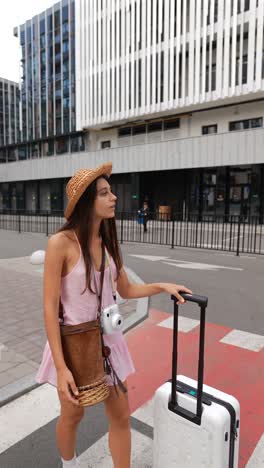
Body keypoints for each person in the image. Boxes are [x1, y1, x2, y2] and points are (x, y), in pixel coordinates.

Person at [35, 161, 192, 468]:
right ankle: (69, 464)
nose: (114, 198)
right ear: (86, 203)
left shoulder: (107, 243)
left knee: (120, 415)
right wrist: (62, 367)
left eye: (111, 192)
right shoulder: (60, 244)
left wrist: (162, 286)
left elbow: (128, 290)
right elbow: (49, 308)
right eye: (104, 193)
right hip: (73, 347)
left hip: (107, 345)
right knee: (73, 415)